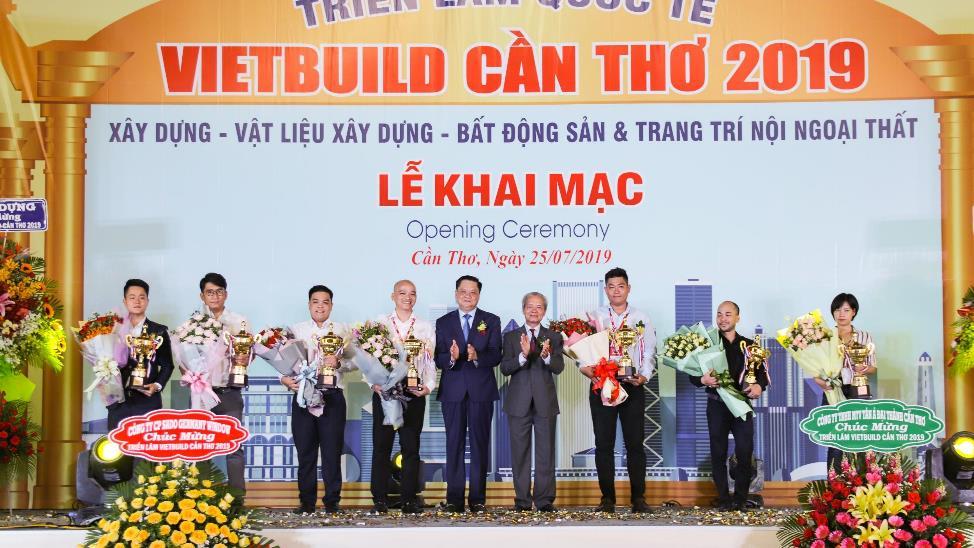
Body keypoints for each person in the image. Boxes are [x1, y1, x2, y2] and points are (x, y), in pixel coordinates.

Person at [579, 267, 655, 514]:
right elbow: (582, 350)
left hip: (631, 385)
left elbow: (649, 351)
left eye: (620, 286)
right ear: (605, 290)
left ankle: (638, 498)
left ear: (628, 288)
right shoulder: (595, 317)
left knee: (635, 444)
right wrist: (585, 368)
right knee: (604, 444)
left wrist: (644, 375)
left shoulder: (641, 317)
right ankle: (607, 499)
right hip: (602, 384)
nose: (616, 291)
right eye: (611, 287)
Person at [689, 301, 769, 511]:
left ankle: (740, 499)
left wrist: (759, 386)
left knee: (744, 452)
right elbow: (692, 375)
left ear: (737, 318)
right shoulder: (707, 344)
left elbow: (762, 374)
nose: (723, 319)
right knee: (718, 453)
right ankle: (723, 499)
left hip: (742, 405)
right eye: (719, 314)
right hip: (717, 405)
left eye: (727, 314)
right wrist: (703, 380)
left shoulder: (750, 346)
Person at [281, 285, 354, 514]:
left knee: (332, 452)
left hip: (332, 396)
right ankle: (306, 502)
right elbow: (282, 360)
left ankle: (332, 502)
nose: (320, 306)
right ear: (309, 304)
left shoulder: (344, 331)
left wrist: (339, 363)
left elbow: (355, 362)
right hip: (303, 396)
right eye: (315, 301)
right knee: (306, 452)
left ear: (331, 305)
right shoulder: (295, 330)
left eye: (325, 302)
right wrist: (283, 378)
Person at [434, 275, 501, 513]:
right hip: (452, 391)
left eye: (473, 292)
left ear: (479, 295)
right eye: (463, 291)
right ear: (456, 294)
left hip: (481, 391)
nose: (467, 296)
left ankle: (478, 499)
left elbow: (496, 354)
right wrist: (452, 358)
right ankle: (454, 499)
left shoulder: (491, 320)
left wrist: (477, 356)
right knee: (454, 445)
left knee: (480, 445)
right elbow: (438, 357)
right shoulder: (443, 322)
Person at [369, 280, 437, 515]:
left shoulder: (425, 327)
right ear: (393, 296)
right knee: (381, 447)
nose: (408, 297)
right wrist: (372, 383)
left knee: (410, 448)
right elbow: (368, 359)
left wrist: (428, 387)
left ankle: (409, 499)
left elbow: (429, 362)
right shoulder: (380, 324)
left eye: (412, 293)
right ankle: (379, 499)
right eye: (402, 293)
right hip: (386, 393)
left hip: (413, 393)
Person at [499, 291, 564, 512]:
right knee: (520, 454)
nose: (534, 311)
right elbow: (505, 368)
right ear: (523, 309)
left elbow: (559, 367)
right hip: (518, 403)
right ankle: (523, 501)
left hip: (545, 402)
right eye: (530, 306)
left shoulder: (553, 336)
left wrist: (546, 356)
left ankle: (544, 501)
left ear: (544, 311)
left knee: (546, 453)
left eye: (539, 307)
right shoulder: (511, 337)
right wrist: (523, 356)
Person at [198, 272, 248, 492]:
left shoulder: (239, 321)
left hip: (229, 390)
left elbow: (249, 353)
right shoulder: (193, 324)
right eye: (210, 292)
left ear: (226, 294)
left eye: (219, 292)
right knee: (200, 447)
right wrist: (189, 372)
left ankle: (237, 498)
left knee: (233, 446)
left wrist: (245, 358)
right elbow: (184, 359)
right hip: (201, 392)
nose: (215, 296)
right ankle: (200, 498)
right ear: (202, 296)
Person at [817, 292, 876, 472]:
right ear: (832, 313)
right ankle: (834, 483)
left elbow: (873, 366)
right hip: (833, 388)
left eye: (846, 310)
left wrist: (863, 368)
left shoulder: (865, 336)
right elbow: (815, 366)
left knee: (859, 436)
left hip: (859, 387)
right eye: (837, 310)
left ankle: (861, 482)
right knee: (835, 439)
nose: (841, 314)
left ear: (854, 312)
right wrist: (821, 382)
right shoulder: (824, 337)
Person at [108, 279, 174, 430]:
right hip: (118, 402)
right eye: (132, 297)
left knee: (146, 444)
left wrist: (157, 385)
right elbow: (102, 359)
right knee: (116, 444)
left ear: (147, 301)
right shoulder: (112, 330)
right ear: (125, 301)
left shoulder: (159, 331)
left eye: (141, 297)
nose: (137, 301)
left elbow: (167, 365)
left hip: (147, 401)